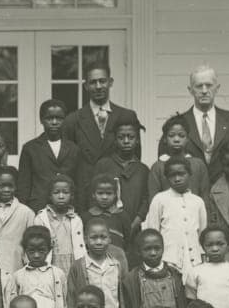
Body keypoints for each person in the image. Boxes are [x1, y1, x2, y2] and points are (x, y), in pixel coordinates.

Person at [62, 62, 140, 207]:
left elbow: (135, 160)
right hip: (86, 195)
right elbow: (68, 165)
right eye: (93, 82)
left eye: (102, 81)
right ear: (86, 86)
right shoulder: (73, 120)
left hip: (119, 194)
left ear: (110, 82)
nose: (98, 86)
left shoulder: (127, 116)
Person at [161, 65, 229, 183]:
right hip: (190, 190)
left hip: (225, 189)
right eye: (198, 86)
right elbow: (163, 158)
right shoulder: (178, 124)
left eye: (209, 85)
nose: (204, 91)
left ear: (217, 88)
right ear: (190, 90)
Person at [91, 116, 150, 268]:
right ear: (115, 140)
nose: (126, 141)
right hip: (109, 230)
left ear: (137, 140)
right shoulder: (104, 165)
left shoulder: (142, 170)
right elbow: (94, 196)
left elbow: (146, 200)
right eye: (121, 137)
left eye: (130, 137)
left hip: (134, 230)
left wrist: (134, 224)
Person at [143, 155, 208, 274]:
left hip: (195, 261)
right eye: (172, 175)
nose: (177, 178)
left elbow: (203, 234)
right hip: (169, 261)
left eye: (181, 174)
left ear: (189, 174)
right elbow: (153, 231)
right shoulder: (159, 199)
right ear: (167, 177)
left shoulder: (198, 202)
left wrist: (203, 257)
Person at [66, 218, 128, 308]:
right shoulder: (78, 267)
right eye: (93, 238)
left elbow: (125, 296)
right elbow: (71, 297)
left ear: (109, 239)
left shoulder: (117, 265)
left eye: (103, 237)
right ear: (85, 239)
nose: (99, 242)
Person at [17, 99, 81, 213]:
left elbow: (79, 181)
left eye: (59, 118)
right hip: (38, 207)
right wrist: (25, 210)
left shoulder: (73, 148)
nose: (54, 122)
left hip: (67, 208)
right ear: (41, 120)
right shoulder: (30, 148)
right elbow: (24, 185)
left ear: (65, 120)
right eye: (49, 118)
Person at [0, 165, 36, 274]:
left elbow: (31, 243)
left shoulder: (26, 213)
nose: (6, 189)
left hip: (17, 268)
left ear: (16, 187)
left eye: (10, 186)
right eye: (1, 186)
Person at [31, 174, 85, 275]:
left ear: (72, 195)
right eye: (56, 192)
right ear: (50, 196)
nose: (61, 196)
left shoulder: (76, 219)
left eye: (65, 192)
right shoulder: (41, 218)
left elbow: (80, 246)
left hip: (72, 263)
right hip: (51, 262)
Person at [148, 115, 210, 200]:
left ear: (187, 138)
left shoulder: (198, 165)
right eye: (171, 135)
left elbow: (205, 196)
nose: (176, 139)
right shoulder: (157, 167)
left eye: (181, 135)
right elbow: (153, 199)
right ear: (165, 139)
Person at [82, 175, 130, 252]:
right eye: (100, 193)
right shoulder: (86, 217)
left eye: (109, 193)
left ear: (115, 195)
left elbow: (128, 241)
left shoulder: (122, 216)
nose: (104, 197)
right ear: (93, 194)